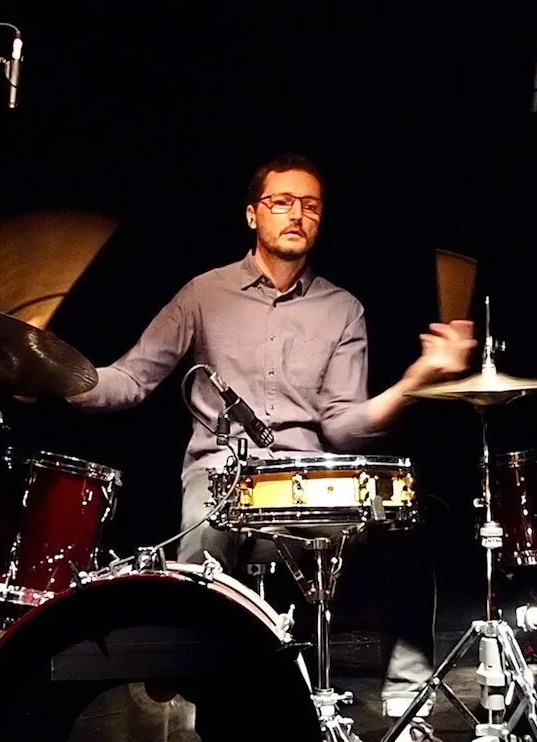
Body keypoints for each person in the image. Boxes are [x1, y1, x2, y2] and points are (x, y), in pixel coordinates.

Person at [67, 153, 476, 735]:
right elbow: (133, 378)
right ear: (252, 214)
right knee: (202, 543)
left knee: (405, 526)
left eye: (310, 205)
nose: (297, 215)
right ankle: (194, 693)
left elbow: (342, 426)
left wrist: (414, 382)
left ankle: (408, 704)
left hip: (306, 483)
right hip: (220, 475)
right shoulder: (203, 293)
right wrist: (63, 378)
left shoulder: (342, 308)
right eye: (282, 202)